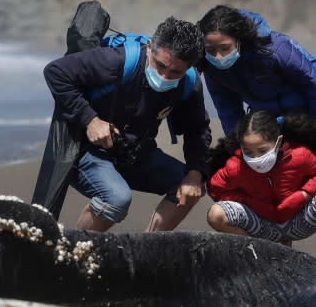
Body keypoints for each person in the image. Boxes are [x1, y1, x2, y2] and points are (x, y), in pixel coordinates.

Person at [37, 16, 211, 232]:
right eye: (160, 65)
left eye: (175, 72)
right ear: (149, 47)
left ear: (189, 67)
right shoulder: (115, 61)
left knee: (189, 186)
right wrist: (90, 120)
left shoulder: (190, 83)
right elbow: (56, 72)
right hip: (87, 151)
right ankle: (78, 257)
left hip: (134, 153)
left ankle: (149, 248)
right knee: (117, 199)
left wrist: (195, 174)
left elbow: (198, 130)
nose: (164, 76)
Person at [206, 110, 316, 266]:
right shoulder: (236, 167)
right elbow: (216, 189)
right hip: (262, 227)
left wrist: (304, 194)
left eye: (262, 151)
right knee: (215, 214)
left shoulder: (299, 156)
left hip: (301, 221)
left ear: (279, 141)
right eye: (248, 151)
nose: (256, 158)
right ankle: (258, 254)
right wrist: (249, 202)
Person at [197, 4, 316, 134]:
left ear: (239, 39)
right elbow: (227, 110)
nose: (218, 56)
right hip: (264, 122)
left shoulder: (275, 49)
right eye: (211, 50)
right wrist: (237, 146)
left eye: (225, 48)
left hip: (304, 116)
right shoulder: (211, 67)